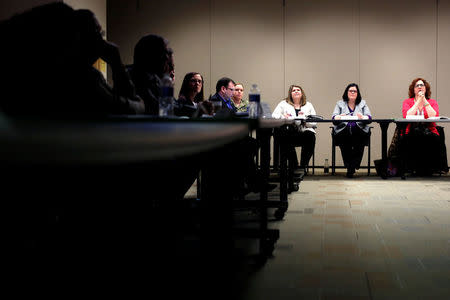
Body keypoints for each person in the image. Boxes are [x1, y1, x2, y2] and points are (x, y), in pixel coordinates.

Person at [0, 3, 145, 116]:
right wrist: (116, 61)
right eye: (97, 33)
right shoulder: (81, 79)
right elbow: (131, 109)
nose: (102, 40)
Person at [272, 85, 316, 191]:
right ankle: (294, 165)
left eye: (298, 90)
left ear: (302, 93)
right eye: (293, 90)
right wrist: (285, 118)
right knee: (285, 137)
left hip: (303, 132)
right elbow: (274, 116)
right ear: (290, 94)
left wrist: (305, 120)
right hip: (289, 133)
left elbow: (314, 122)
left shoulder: (308, 105)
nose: (296, 91)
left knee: (310, 137)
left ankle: (302, 166)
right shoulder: (283, 103)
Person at [399, 77, 443, 175]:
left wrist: (424, 101)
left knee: (430, 138)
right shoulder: (407, 102)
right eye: (417, 86)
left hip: (429, 130)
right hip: (411, 131)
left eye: (422, 85)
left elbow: (434, 116)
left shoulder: (432, 102)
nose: (420, 87)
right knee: (414, 138)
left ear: (425, 88)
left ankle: (428, 169)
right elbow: (407, 115)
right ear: (413, 90)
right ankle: (414, 168)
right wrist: (418, 101)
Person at [332, 83, 372, 178]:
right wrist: (339, 116)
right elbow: (334, 117)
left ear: (357, 93)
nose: (353, 92)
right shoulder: (340, 103)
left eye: (355, 91)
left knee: (360, 140)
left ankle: (352, 165)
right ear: (346, 92)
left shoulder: (363, 103)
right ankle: (350, 167)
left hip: (359, 130)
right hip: (343, 130)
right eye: (350, 91)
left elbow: (369, 118)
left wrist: (363, 117)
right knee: (345, 141)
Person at [128, 34, 173, 115]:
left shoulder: (155, 78)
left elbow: (169, 105)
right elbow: (157, 107)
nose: (167, 58)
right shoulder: (133, 77)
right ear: (150, 53)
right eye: (163, 53)